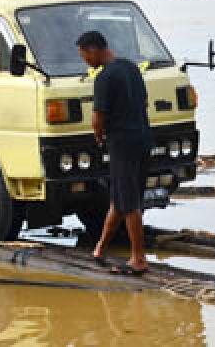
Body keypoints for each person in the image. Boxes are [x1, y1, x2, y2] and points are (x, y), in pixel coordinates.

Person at [77, 30, 152, 276]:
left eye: (84, 56)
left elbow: (98, 118)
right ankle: (100, 248)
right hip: (142, 137)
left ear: (93, 50)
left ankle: (138, 258)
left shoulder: (105, 77)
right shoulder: (131, 69)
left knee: (128, 201)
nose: (85, 61)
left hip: (122, 141)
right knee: (121, 196)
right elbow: (144, 103)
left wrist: (99, 137)